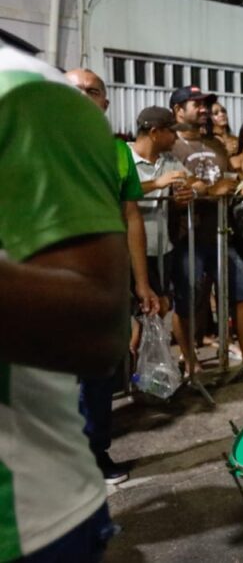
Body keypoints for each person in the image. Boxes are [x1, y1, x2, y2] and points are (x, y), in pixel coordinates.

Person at [1, 42, 129, 561]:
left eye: (94, 92)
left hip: (24, 522)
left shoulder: (22, 90)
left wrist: (143, 285)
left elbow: (95, 332)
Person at [66, 67, 156, 486]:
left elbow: (130, 217)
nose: (83, 95)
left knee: (99, 373)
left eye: (92, 90)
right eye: (73, 89)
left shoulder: (118, 153)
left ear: (104, 102)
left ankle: (94, 453)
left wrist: (141, 283)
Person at [169, 85, 243, 364]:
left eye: (205, 105)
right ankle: (190, 364)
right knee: (188, 303)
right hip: (186, 237)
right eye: (196, 104)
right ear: (178, 110)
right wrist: (210, 189)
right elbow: (179, 186)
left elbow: (231, 182)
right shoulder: (171, 144)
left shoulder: (214, 144)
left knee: (242, 293)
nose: (203, 109)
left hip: (220, 234)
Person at [129, 106, 197, 372]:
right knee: (134, 316)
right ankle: (132, 376)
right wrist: (157, 184)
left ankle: (153, 375)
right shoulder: (122, 155)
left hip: (161, 248)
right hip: (129, 251)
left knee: (159, 309)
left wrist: (186, 194)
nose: (176, 139)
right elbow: (117, 188)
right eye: (172, 132)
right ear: (155, 132)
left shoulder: (169, 160)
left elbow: (190, 182)